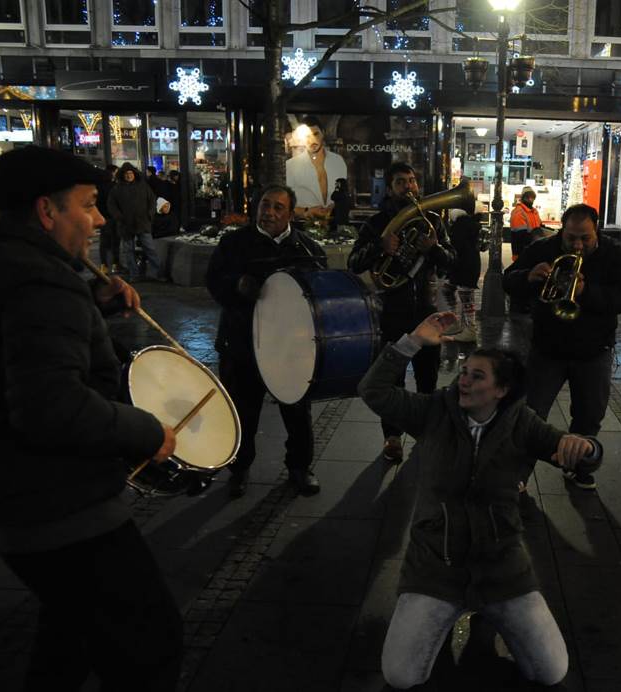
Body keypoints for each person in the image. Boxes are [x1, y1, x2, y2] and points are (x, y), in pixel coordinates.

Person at [0, 146, 182, 689]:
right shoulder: (41, 282)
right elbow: (51, 407)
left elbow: (1, 347)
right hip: (59, 504)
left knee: (70, 634)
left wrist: (89, 304)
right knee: (151, 644)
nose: (99, 220)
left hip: (2, 491)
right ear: (47, 212)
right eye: (89, 205)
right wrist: (147, 431)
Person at [358, 311, 603, 689]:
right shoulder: (434, 411)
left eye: (477, 375)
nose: (464, 382)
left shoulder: (522, 423)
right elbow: (372, 391)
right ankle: (438, 624)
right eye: (463, 372)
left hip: (501, 567)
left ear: (501, 390)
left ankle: (485, 617)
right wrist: (412, 341)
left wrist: (584, 446)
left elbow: (580, 451)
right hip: (435, 565)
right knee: (401, 675)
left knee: (551, 670)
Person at [503, 203, 621, 490]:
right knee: (531, 414)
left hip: (594, 350)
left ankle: (578, 466)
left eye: (584, 238)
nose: (577, 245)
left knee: (589, 416)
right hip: (547, 348)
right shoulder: (543, 249)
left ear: (596, 231)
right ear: (562, 230)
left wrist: (586, 292)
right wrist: (527, 277)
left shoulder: (615, 254)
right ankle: (518, 474)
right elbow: (508, 281)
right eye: (571, 237)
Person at [206, 184, 327, 498]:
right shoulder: (234, 244)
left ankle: (300, 467)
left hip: (290, 349)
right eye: (265, 205)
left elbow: (319, 299)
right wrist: (236, 285)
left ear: (290, 213)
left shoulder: (308, 250)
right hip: (243, 344)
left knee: (297, 412)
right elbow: (214, 281)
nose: (269, 212)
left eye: (277, 207)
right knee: (243, 412)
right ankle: (240, 469)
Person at [347, 162, 455, 464]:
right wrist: (380, 248)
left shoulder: (432, 220)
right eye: (400, 182)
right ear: (390, 187)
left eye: (411, 180)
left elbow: (451, 261)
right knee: (390, 379)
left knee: (427, 379)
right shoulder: (377, 223)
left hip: (425, 311)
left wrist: (433, 248)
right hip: (390, 312)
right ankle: (391, 438)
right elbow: (354, 263)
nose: (408, 187)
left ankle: (426, 434)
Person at [285, 115, 348, 223]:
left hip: (333, 225)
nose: (312, 140)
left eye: (316, 134)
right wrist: (306, 212)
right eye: (307, 136)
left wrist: (335, 207)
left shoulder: (338, 161)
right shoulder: (291, 166)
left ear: (323, 133)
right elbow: (283, 205)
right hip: (303, 226)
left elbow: (343, 195)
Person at [108, 163, 161, 280]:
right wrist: (119, 217)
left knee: (150, 249)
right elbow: (111, 206)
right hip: (125, 225)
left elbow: (152, 201)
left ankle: (157, 273)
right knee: (128, 251)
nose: (129, 175)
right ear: (122, 175)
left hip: (142, 222)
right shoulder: (117, 189)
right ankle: (134, 274)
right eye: (126, 174)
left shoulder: (143, 186)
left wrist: (149, 215)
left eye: (130, 173)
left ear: (134, 174)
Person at [441, 203, 482, 343]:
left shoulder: (460, 225)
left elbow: (455, 247)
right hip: (468, 265)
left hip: (463, 266)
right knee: (450, 290)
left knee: (466, 297)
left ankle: (470, 330)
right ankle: (455, 322)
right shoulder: (471, 224)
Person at [97, 164, 120, 272]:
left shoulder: (98, 187)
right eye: (116, 172)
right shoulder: (114, 187)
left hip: (103, 216)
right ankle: (115, 264)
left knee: (104, 242)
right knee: (115, 241)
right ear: (112, 173)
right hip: (113, 217)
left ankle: (104, 265)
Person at [509, 186, 542, 262]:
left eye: (532, 197)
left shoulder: (534, 212)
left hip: (533, 251)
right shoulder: (519, 212)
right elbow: (520, 236)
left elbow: (539, 227)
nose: (530, 199)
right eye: (528, 197)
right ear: (523, 198)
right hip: (522, 253)